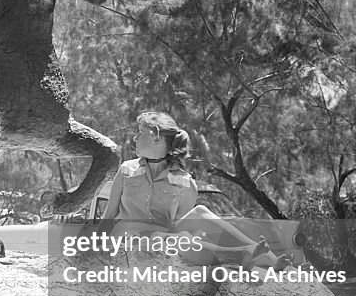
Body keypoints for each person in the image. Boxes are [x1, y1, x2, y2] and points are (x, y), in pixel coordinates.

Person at [101, 111, 289, 270]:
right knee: (172, 239)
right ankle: (236, 256)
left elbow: (178, 225)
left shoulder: (184, 181)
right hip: (127, 237)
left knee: (199, 213)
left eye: (140, 133)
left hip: (162, 237)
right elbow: (109, 215)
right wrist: (93, 249)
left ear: (155, 138)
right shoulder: (127, 169)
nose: (134, 138)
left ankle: (271, 260)